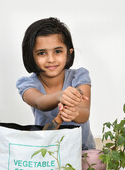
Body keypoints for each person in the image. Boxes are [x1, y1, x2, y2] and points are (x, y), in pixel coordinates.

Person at [16, 17, 96, 149]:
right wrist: (60, 95)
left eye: (57, 51)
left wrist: (75, 113)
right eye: (42, 53)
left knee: (96, 165)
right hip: (48, 151)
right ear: (31, 56)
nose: (51, 59)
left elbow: (84, 113)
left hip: (82, 151)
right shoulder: (27, 84)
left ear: (69, 53)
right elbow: (39, 102)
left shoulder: (79, 76)